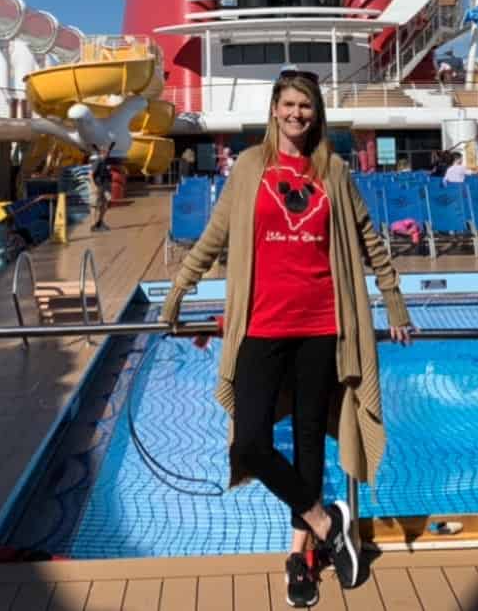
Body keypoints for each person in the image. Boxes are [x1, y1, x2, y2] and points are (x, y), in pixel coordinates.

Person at [161, 69, 414, 607]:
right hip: (262, 326)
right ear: (275, 108)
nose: (298, 113)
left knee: (305, 447)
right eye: (290, 104)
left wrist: (393, 301)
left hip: (322, 325)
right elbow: (215, 236)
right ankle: (329, 524)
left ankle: (301, 559)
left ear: (315, 113)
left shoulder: (334, 171)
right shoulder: (251, 167)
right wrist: (178, 288)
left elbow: (368, 238)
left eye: (307, 106)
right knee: (250, 442)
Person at [91, 143, 115, 230]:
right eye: (107, 153)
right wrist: (94, 186)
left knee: (105, 203)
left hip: (104, 185)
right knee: (95, 204)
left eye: (108, 152)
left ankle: (100, 221)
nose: (108, 154)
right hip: (98, 185)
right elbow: (90, 175)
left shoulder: (105, 161)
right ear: (102, 153)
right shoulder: (98, 161)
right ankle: (94, 224)